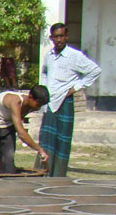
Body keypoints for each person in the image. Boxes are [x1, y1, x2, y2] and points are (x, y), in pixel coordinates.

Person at [38, 23, 102, 177]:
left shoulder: (75, 56)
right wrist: (43, 91)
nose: (59, 39)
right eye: (56, 37)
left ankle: (58, 176)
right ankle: (43, 173)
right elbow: (44, 73)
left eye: (62, 36)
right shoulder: (49, 55)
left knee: (62, 142)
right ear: (51, 38)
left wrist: (75, 88)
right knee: (46, 140)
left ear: (66, 37)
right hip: (50, 103)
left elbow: (95, 71)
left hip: (64, 102)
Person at [0, 85, 51, 174]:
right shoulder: (15, 101)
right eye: (38, 104)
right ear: (30, 97)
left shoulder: (31, 106)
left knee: (8, 165)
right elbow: (21, 133)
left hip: (8, 126)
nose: (38, 108)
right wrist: (39, 149)